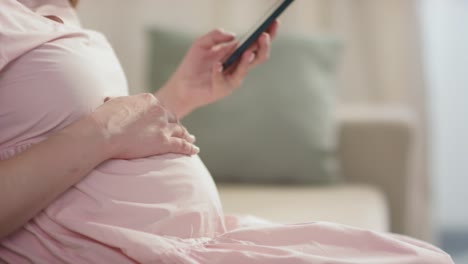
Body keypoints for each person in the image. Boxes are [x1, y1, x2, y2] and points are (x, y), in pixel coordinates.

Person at [0, 0, 453, 263]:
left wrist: (180, 95)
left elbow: (78, 138)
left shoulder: (51, 13)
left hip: (192, 239)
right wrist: (102, 130)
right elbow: (100, 133)